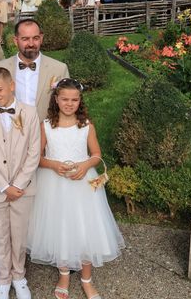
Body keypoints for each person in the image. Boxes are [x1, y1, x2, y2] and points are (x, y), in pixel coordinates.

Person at [27, 78, 124, 299]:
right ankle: (64, 274)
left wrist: (85, 165)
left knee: (86, 228)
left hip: (82, 184)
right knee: (59, 228)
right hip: (54, 184)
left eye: (74, 100)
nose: (69, 104)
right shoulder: (46, 126)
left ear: (80, 101)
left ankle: (86, 279)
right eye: (65, 99)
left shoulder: (86, 126)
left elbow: (97, 155)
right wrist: (53, 164)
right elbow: (38, 157)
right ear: (56, 99)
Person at [0, 68, 40, 299]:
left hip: (23, 188)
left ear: (11, 86)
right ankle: (3, 279)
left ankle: (19, 276)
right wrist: (4, 186)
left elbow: (34, 152)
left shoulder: (30, 113)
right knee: (0, 235)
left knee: (19, 234)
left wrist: (19, 184)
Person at [0, 19, 69, 120]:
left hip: (45, 130)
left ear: (41, 38)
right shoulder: (1, 68)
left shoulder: (59, 69)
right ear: (16, 41)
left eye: (35, 38)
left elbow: (67, 105)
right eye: (25, 39)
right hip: (12, 130)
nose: (31, 44)